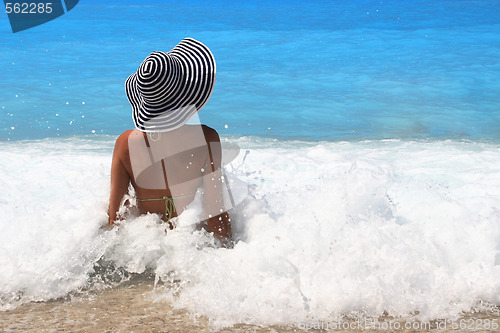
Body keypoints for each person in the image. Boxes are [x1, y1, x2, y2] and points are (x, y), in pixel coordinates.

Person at [107, 38, 231, 245]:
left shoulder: (125, 143)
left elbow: (115, 218)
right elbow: (214, 214)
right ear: (185, 94)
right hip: (187, 244)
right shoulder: (206, 139)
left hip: (145, 246)